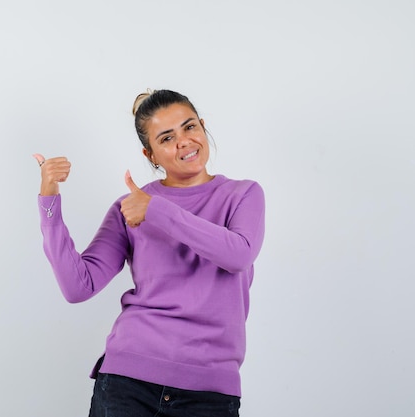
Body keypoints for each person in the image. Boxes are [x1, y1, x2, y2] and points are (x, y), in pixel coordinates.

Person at [32, 89, 265, 417]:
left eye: (189, 127)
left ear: (203, 125)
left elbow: (238, 254)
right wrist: (49, 200)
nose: (184, 142)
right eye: (167, 137)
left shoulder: (242, 195)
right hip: (129, 382)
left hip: (209, 392)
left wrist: (157, 211)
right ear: (150, 154)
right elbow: (78, 286)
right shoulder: (129, 209)